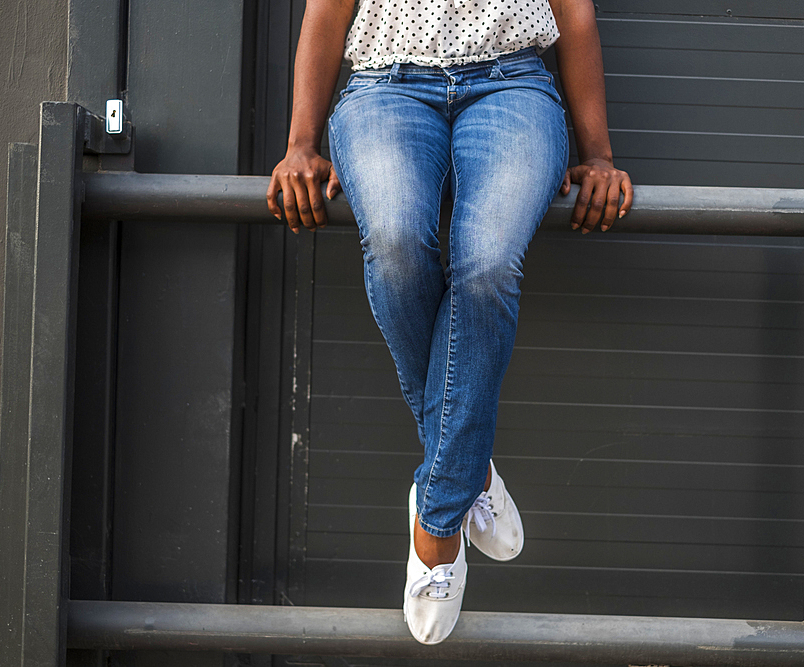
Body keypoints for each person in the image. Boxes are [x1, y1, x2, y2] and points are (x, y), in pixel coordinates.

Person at [266, 0, 632, 645]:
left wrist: (598, 154)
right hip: (384, 86)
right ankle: (466, 468)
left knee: (487, 263)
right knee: (398, 242)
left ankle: (437, 525)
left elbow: (575, 19)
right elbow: (326, 14)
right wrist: (301, 144)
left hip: (515, 85)